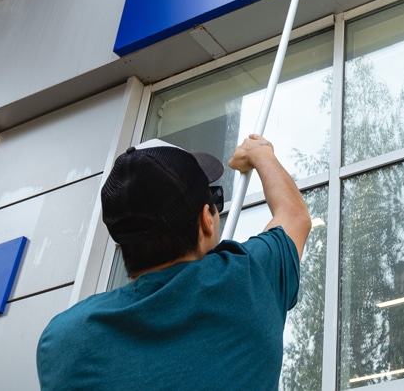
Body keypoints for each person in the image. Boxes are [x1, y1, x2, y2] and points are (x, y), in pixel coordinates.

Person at [36, 134, 311, 390]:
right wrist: (261, 153)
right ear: (206, 220)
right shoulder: (249, 281)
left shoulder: (62, 341)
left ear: (120, 242)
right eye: (215, 200)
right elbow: (294, 216)